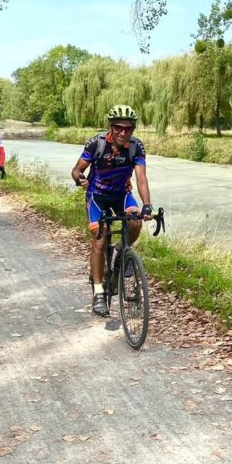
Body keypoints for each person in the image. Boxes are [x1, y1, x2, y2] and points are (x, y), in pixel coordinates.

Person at [70, 104, 153, 316]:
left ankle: (121, 250)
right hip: (96, 196)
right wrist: (79, 178)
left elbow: (141, 178)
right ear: (111, 127)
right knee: (99, 238)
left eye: (128, 128)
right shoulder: (96, 144)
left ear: (133, 129)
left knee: (135, 220)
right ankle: (98, 292)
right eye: (118, 127)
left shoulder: (136, 147)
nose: (123, 133)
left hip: (121, 194)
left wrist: (146, 204)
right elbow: (77, 169)